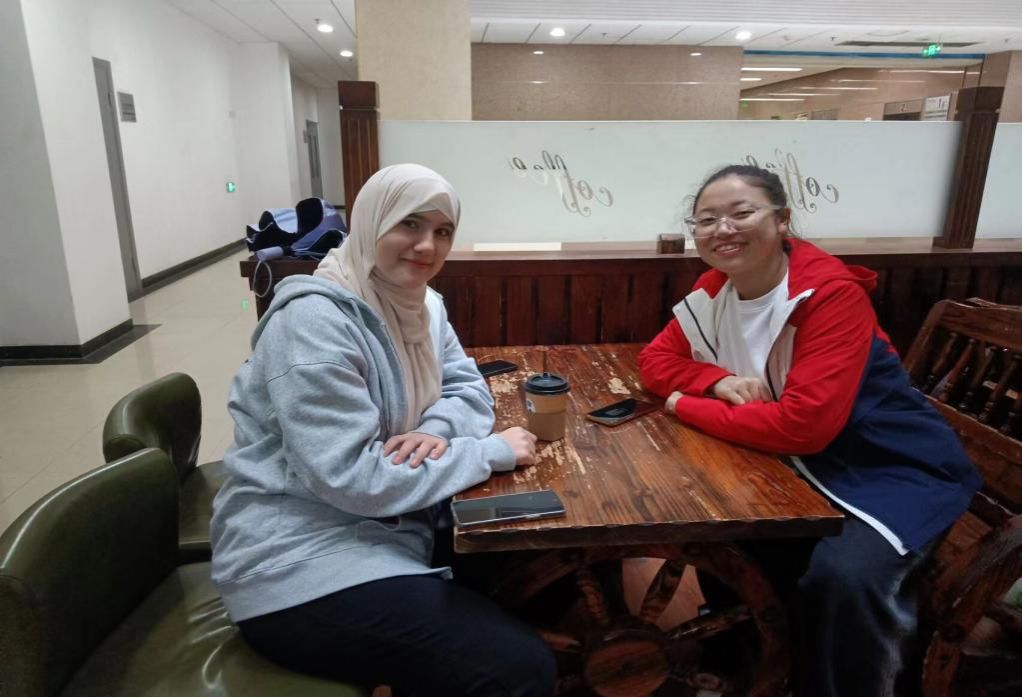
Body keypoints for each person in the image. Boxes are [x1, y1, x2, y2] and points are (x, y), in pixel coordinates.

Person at [210, 164, 557, 697]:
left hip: (393, 524)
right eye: (410, 224)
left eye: (443, 231)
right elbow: (352, 477)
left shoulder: (423, 305)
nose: (427, 246)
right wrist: (487, 452)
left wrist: (437, 429)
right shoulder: (313, 324)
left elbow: (468, 389)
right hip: (297, 561)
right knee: (519, 668)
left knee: (546, 574)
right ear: (371, 222)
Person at [638, 164, 982, 697]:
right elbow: (655, 360)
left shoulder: (829, 295)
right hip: (798, 464)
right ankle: (753, 666)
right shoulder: (717, 289)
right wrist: (717, 380)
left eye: (741, 213)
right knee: (725, 536)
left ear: (782, 219)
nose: (722, 229)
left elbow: (804, 427)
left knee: (845, 578)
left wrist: (686, 404)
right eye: (706, 220)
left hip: (890, 467)